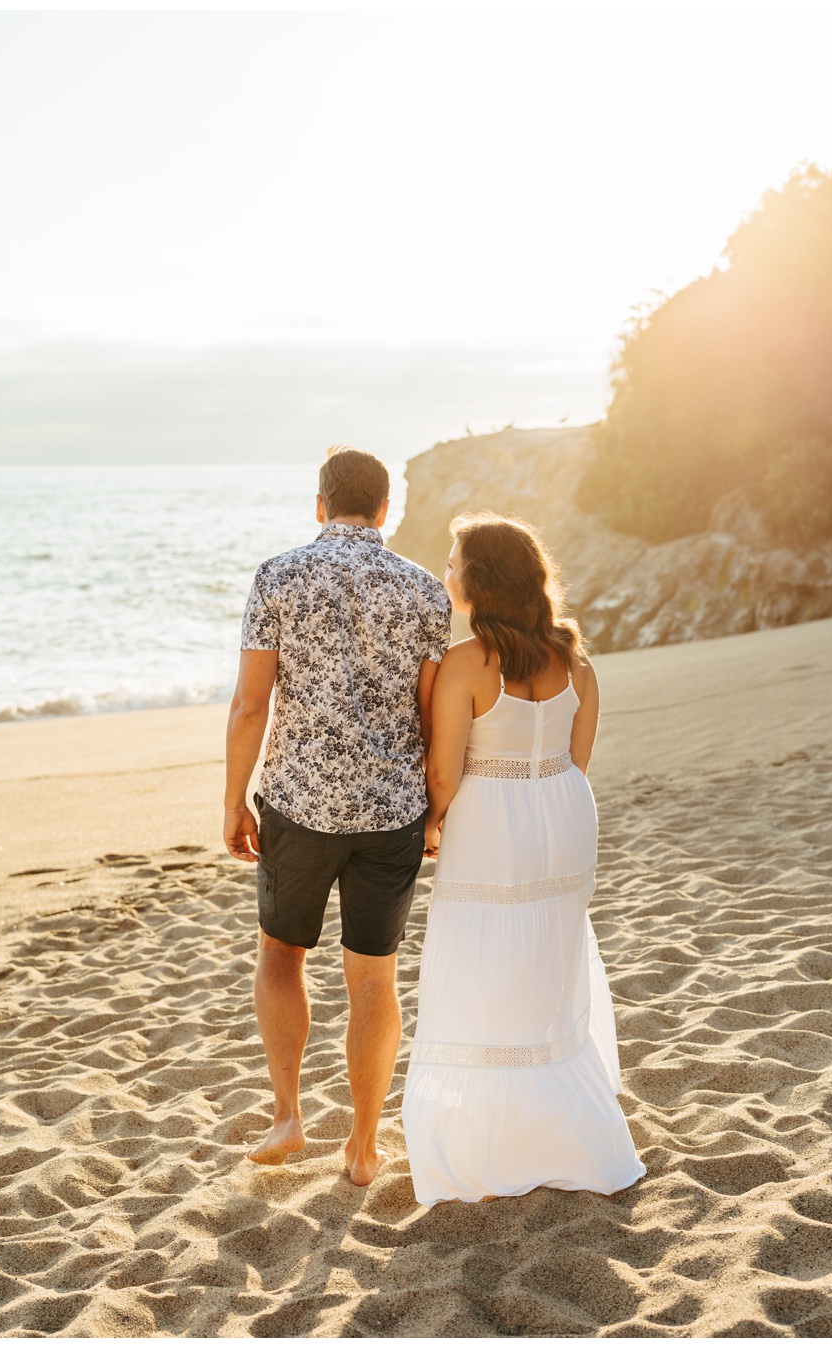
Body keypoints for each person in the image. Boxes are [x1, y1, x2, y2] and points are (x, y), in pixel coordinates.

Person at [223, 446, 451, 1186]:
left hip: (299, 803)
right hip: (390, 812)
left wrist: (233, 797)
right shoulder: (424, 592)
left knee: (281, 954)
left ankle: (288, 1116)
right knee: (374, 980)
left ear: (320, 505)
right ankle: (362, 1144)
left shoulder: (278, 575)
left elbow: (251, 702)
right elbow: (431, 713)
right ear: (383, 509)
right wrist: (435, 807)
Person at [402, 513, 644, 1203]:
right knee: (549, 956)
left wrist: (431, 827)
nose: (445, 573)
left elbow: (443, 775)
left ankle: (492, 1143)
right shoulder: (575, 660)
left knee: (481, 964)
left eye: (452, 563)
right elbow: (578, 758)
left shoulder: (466, 662)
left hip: (492, 819)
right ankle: (561, 1127)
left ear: (480, 579)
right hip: (563, 812)